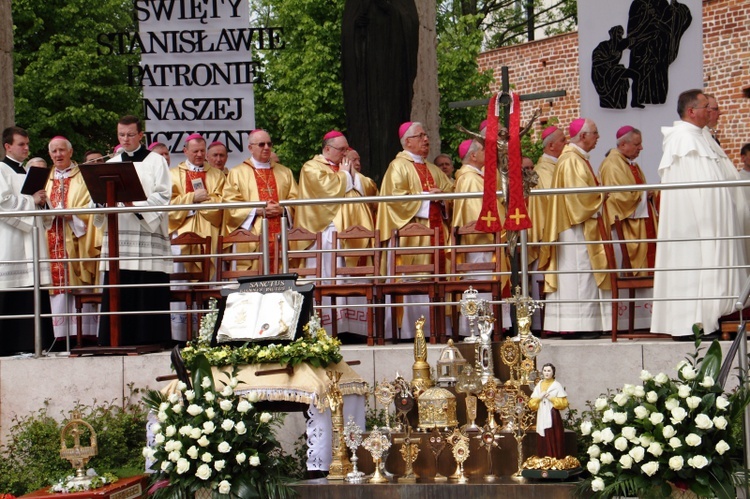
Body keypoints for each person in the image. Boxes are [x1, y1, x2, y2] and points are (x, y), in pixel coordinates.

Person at [651, 89, 748, 339]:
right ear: (691, 111)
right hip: (696, 222)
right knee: (694, 265)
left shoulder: (700, 136)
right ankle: (694, 323)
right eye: (706, 106)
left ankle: (716, 314)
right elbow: (696, 187)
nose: (711, 110)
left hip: (713, 219)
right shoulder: (684, 139)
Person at [97, 115, 172, 346]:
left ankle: (150, 339)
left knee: (145, 286)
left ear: (141, 135)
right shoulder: (110, 164)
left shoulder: (156, 162)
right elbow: (97, 197)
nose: (125, 139)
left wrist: (135, 205)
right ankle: (116, 340)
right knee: (120, 284)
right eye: (121, 135)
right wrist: (100, 202)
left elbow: (163, 195)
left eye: (130, 134)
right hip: (119, 233)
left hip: (146, 236)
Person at [377, 122, 453, 338]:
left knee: (438, 278)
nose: (426, 139)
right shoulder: (398, 166)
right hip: (413, 237)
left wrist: (443, 198)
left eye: (426, 135)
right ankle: (411, 330)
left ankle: (440, 329)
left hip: (437, 233)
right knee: (415, 279)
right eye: (420, 136)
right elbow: (395, 201)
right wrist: (430, 198)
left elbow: (450, 191)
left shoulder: (433, 168)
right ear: (407, 141)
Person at [295, 130, 374, 334]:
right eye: (342, 149)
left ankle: (355, 327)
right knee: (329, 278)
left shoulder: (344, 167)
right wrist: (345, 175)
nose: (345, 153)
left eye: (347, 149)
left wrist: (352, 175)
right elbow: (326, 190)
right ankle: (328, 329)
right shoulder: (311, 167)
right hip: (325, 232)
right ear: (327, 149)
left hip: (352, 233)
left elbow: (367, 187)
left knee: (350, 278)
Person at [538, 118, 609, 338]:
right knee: (579, 277)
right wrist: (601, 195)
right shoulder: (571, 160)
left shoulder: (576, 158)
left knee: (581, 277)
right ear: (583, 135)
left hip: (576, 227)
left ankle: (580, 324)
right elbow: (578, 199)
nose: (598, 138)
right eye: (595, 133)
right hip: (574, 229)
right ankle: (578, 326)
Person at [1, 126, 54, 355]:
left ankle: (36, 343)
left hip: (32, 239)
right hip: (10, 241)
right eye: (21, 144)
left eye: (27, 144)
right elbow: (3, 203)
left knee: (33, 290)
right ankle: (10, 345)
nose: (26, 148)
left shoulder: (28, 172)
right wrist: (31, 201)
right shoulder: (1, 170)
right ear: (7, 146)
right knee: (12, 291)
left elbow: (41, 209)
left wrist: (42, 202)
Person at [168, 134, 225, 341]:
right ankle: (180, 335)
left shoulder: (217, 175)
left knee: (210, 281)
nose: (200, 155)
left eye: (202, 151)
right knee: (180, 282)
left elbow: (222, 202)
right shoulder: (173, 174)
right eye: (195, 151)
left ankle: (210, 332)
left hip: (210, 232)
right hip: (180, 234)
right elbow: (168, 204)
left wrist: (203, 204)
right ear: (185, 151)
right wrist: (193, 199)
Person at [451, 139, 511, 330]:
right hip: (481, 245)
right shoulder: (470, 179)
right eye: (483, 150)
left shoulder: (475, 177)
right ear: (474, 155)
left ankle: (487, 326)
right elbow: (483, 214)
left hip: (483, 244)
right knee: (480, 284)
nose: (487, 153)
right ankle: (479, 327)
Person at [45, 136, 100, 343]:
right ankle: (58, 337)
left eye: (61, 150)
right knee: (56, 289)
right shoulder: (44, 178)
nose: (58, 155)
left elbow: (92, 206)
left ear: (70, 152)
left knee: (79, 285)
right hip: (52, 238)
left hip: (77, 240)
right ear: (50, 154)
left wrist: (72, 215)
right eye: (54, 151)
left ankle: (84, 335)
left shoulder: (84, 177)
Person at [223, 129, 298, 273]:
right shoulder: (237, 173)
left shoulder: (284, 172)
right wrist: (258, 210)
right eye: (261, 144)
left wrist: (283, 210)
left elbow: (295, 199)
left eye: (269, 144)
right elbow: (230, 204)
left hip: (280, 233)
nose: (266, 148)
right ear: (250, 148)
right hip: (253, 233)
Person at [600, 126, 657, 275]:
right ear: (623, 144)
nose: (641, 148)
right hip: (625, 228)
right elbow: (619, 198)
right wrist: (645, 194)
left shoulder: (630, 163)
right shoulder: (612, 164)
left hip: (639, 225)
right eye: (637, 144)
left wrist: (651, 193)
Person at [528, 363, 568, 459]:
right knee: (543, 436)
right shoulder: (539, 385)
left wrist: (552, 398)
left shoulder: (556, 385)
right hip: (542, 414)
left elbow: (563, 403)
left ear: (553, 372)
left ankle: (555, 457)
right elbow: (531, 404)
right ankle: (544, 458)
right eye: (545, 370)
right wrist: (539, 397)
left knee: (553, 435)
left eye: (549, 371)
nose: (546, 373)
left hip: (552, 415)